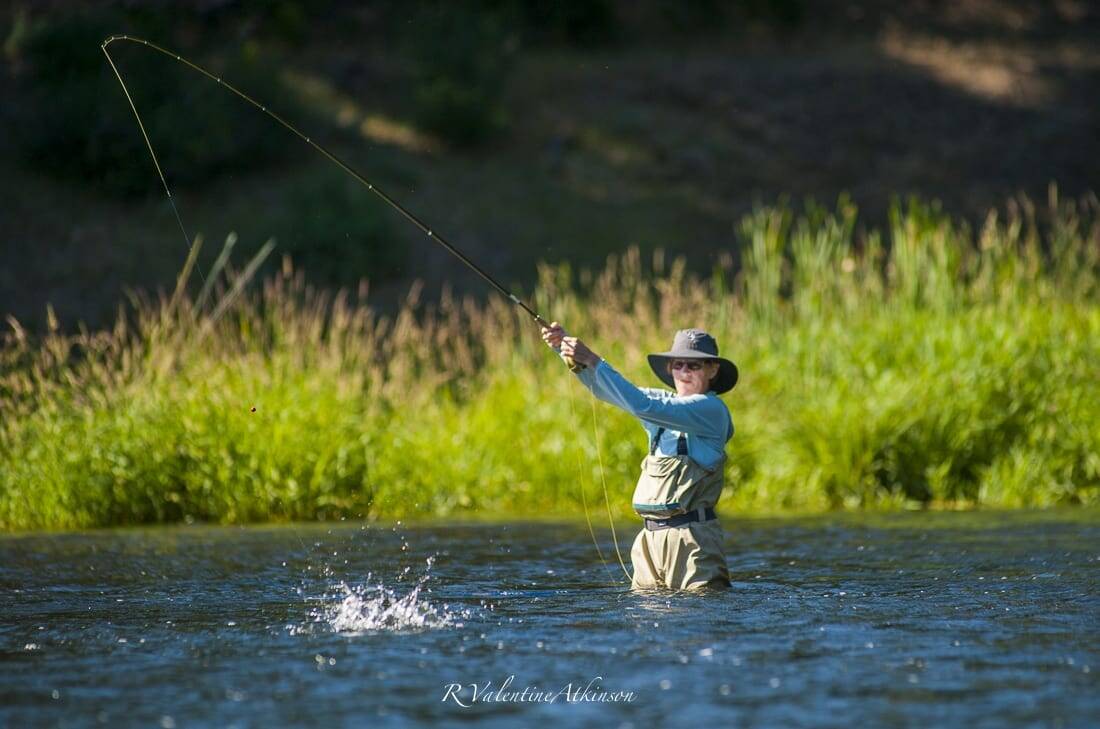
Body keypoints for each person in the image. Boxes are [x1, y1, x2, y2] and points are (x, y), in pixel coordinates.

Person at [541, 323, 738, 591]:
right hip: (649, 540)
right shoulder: (662, 405)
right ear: (670, 369)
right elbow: (614, 393)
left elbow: (643, 405)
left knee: (698, 612)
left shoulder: (711, 409)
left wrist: (593, 359)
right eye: (678, 365)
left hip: (692, 538)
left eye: (694, 366)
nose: (684, 372)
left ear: (712, 370)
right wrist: (564, 350)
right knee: (647, 613)